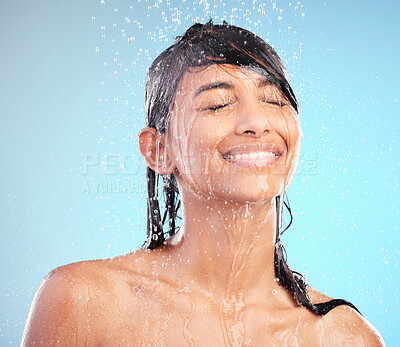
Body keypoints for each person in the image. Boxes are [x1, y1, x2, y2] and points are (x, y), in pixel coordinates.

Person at [22, 21, 384, 346]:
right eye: (218, 104)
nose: (256, 122)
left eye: (274, 100)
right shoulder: (87, 304)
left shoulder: (343, 337)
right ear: (159, 150)